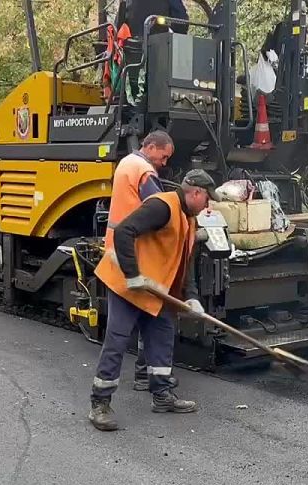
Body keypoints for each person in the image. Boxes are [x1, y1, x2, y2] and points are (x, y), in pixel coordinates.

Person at [89, 170, 218, 431]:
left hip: (155, 290)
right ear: (196, 192)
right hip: (128, 285)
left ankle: (162, 395)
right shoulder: (162, 205)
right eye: (207, 199)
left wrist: (191, 299)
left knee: (162, 337)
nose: (209, 205)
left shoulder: (189, 219)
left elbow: (186, 265)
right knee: (118, 340)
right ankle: (99, 404)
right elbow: (124, 231)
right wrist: (132, 274)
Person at [104, 131, 177, 392]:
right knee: (131, 327)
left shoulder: (126, 164)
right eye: (164, 155)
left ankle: (145, 377)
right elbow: (158, 209)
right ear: (151, 146)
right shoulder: (143, 171)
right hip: (133, 257)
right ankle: (138, 379)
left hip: (119, 254)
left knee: (148, 319)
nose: (164, 162)